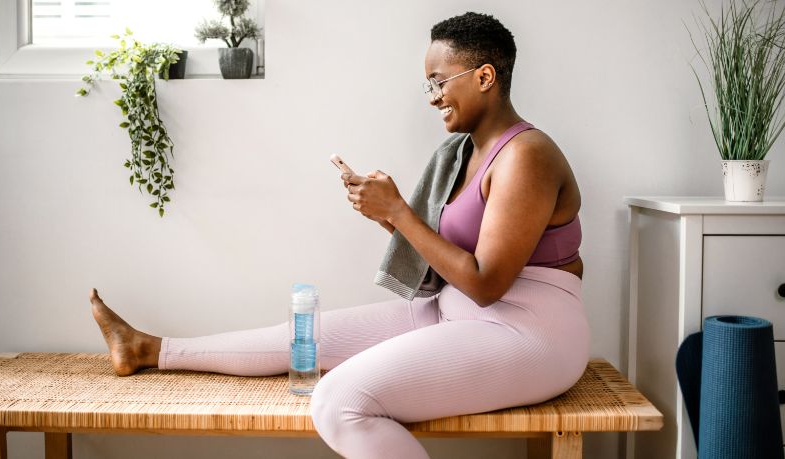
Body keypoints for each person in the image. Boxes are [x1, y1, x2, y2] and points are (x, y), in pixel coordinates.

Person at [89, 12, 589, 459]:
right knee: (300, 338)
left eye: (439, 81)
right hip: (455, 311)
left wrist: (400, 212)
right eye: (428, 85)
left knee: (339, 401)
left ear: (484, 77)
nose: (433, 96)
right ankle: (147, 349)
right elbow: (455, 257)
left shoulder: (527, 156)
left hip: (529, 332)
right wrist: (387, 215)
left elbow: (486, 283)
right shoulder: (463, 153)